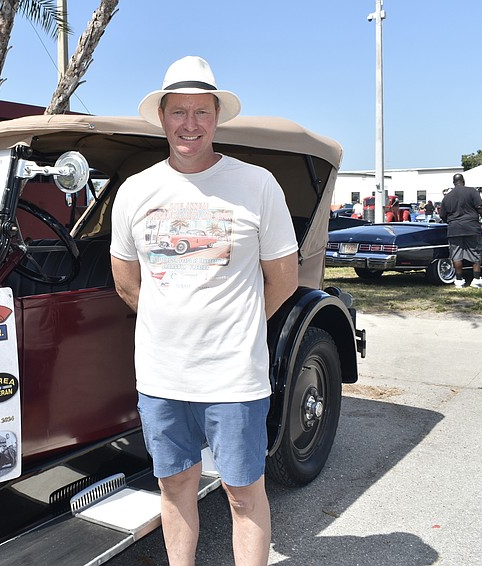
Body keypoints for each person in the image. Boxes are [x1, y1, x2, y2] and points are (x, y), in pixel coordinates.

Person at [110, 56, 298, 565]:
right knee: (174, 490)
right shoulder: (135, 190)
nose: (189, 124)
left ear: (216, 118)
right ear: (163, 117)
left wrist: (236, 328)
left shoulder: (257, 184)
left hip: (234, 378)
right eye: (178, 112)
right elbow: (127, 280)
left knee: (243, 494)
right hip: (162, 376)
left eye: (201, 112)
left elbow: (284, 277)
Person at [440, 173, 482, 288]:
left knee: (456, 255)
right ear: (464, 181)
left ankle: (459, 280)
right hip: (472, 227)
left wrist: (451, 222)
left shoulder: (447, 197)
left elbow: (442, 215)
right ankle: (476, 279)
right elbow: (480, 208)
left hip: (454, 229)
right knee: (475, 254)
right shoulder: (472, 192)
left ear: (453, 182)